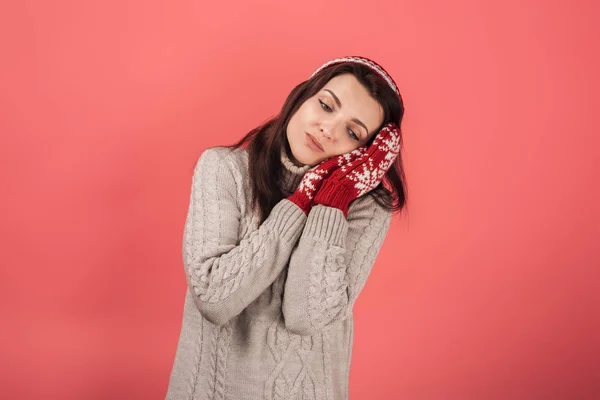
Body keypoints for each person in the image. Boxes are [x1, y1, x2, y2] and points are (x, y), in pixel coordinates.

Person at [165, 56, 407, 400]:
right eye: (325, 105)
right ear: (302, 97)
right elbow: (215, 298)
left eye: (352, 132)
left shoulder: (365, 208)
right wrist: (300, 202)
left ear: (364, 153)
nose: (328, 129)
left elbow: (305, 317)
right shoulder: (223, 169)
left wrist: (332, 199)